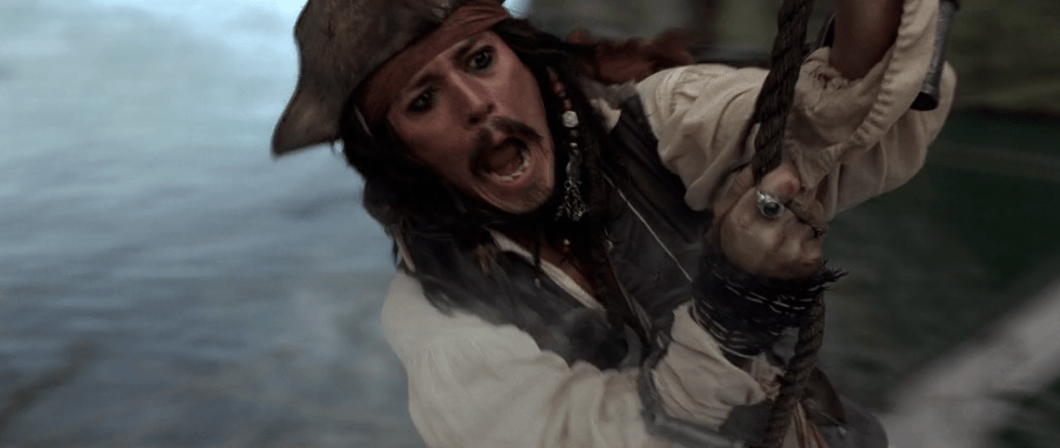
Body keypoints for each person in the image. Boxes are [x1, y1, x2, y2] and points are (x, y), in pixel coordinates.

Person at [270, 0, 956, 446]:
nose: (477, 104)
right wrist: (729, 312)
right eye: (423, 101)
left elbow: (837, 115)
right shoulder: (437, 313)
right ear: (402, 158)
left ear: (531, 68)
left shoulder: (662, 121)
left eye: (480, 60)